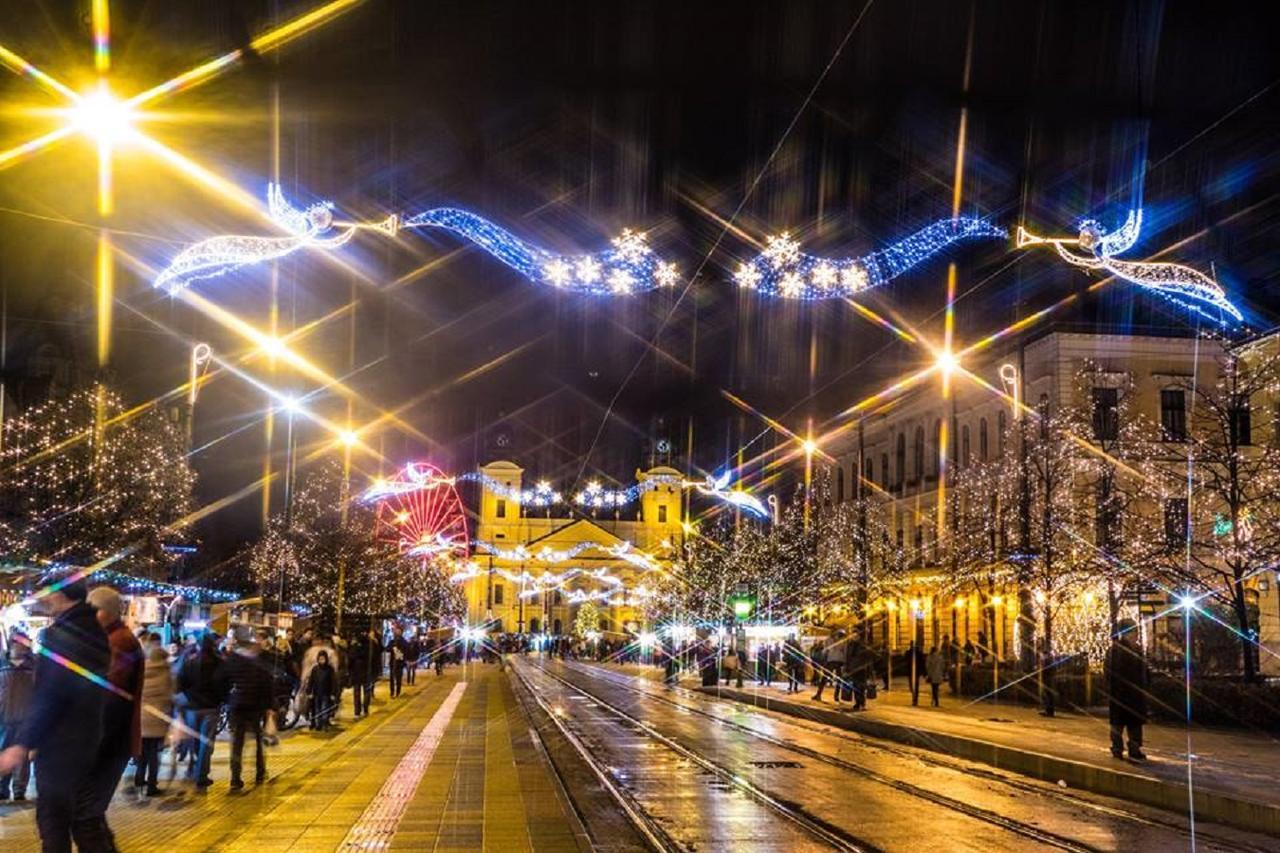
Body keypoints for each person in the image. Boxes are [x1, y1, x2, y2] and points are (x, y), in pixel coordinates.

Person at [0, 573, 111, 851]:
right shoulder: (95, 631)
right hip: (88, 740)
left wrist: (23, 743)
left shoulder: (57, 635)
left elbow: (50, 695)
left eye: (47, 592)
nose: (44, 598)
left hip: (61, 747)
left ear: (61, 594)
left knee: (54, 822)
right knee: (85, 821)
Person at [85, 586, 145, 848]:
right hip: (111, 740)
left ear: (103, 612)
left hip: (109, 741)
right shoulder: (113, 638)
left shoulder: (119, 641)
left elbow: (111, 697)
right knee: (89, 813)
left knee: (87, 813)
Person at [219, 625, 275, 789]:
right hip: (255, 705)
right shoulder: (259, 660)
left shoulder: (232, 660)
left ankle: (235, 777)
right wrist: (270, 705)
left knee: (237, 742)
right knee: (258, 739)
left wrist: (227, 698)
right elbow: (267, 684)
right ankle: (260, 771)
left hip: (237, 705)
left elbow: (221, 680)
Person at [177, 632, 223, 789]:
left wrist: (188, 697)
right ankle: (201, 775)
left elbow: (180, 683)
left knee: (194, 739)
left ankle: (193, 767)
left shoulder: (189, 662)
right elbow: (224, 685)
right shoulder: (219, 663)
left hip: (192, 707)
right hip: (211, 707)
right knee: (206, 742)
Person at [1106, 619, 1150, 760]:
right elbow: (1110, 673)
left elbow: (1144, 671)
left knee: (1133, 724)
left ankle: (1132, 748)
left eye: (1136, 631)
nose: (1135, 635)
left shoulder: (1135, 650)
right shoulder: (1116, 650)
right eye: (1133, 632)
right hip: (1122, 694)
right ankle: (1118, 748)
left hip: (1133, 695)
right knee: (1120, 724)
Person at [136, 634, 173, 795]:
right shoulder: (166, 672)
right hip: (157, 719)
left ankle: (139, 778)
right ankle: (152, 785)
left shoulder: (141, 668)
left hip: (141, 719)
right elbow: (169, 696)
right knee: (153, 754)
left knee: (142, 751)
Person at [0, 634, 35, 800]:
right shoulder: (2, 665)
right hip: (4, 721)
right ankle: (2, 788)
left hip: (25, 721)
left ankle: (19, 790)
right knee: (3, 753)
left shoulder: (33, 667)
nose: (19, 646)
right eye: (16, 643)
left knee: (22, 757)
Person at [306, 651, 339, 730]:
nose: (322, 660)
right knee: (317, 709)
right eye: (320, 659)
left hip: (326, 693)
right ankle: (318, 724)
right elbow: (311, 681)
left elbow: (333, 682)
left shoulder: (329, 669)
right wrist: (309, 691)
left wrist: (333, 693)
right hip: (317, 693)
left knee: (324, 708)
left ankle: (325, 723)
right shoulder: (315, 669)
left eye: (323, 659)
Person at [815, 632, 845, 702]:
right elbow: (845, 651)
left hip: (832, 661)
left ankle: (819, 694)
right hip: (838, 661)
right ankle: (836, 696)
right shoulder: (843, 640)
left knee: (825, 678)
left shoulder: (829, 640)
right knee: (838, 679)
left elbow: (825, 651)